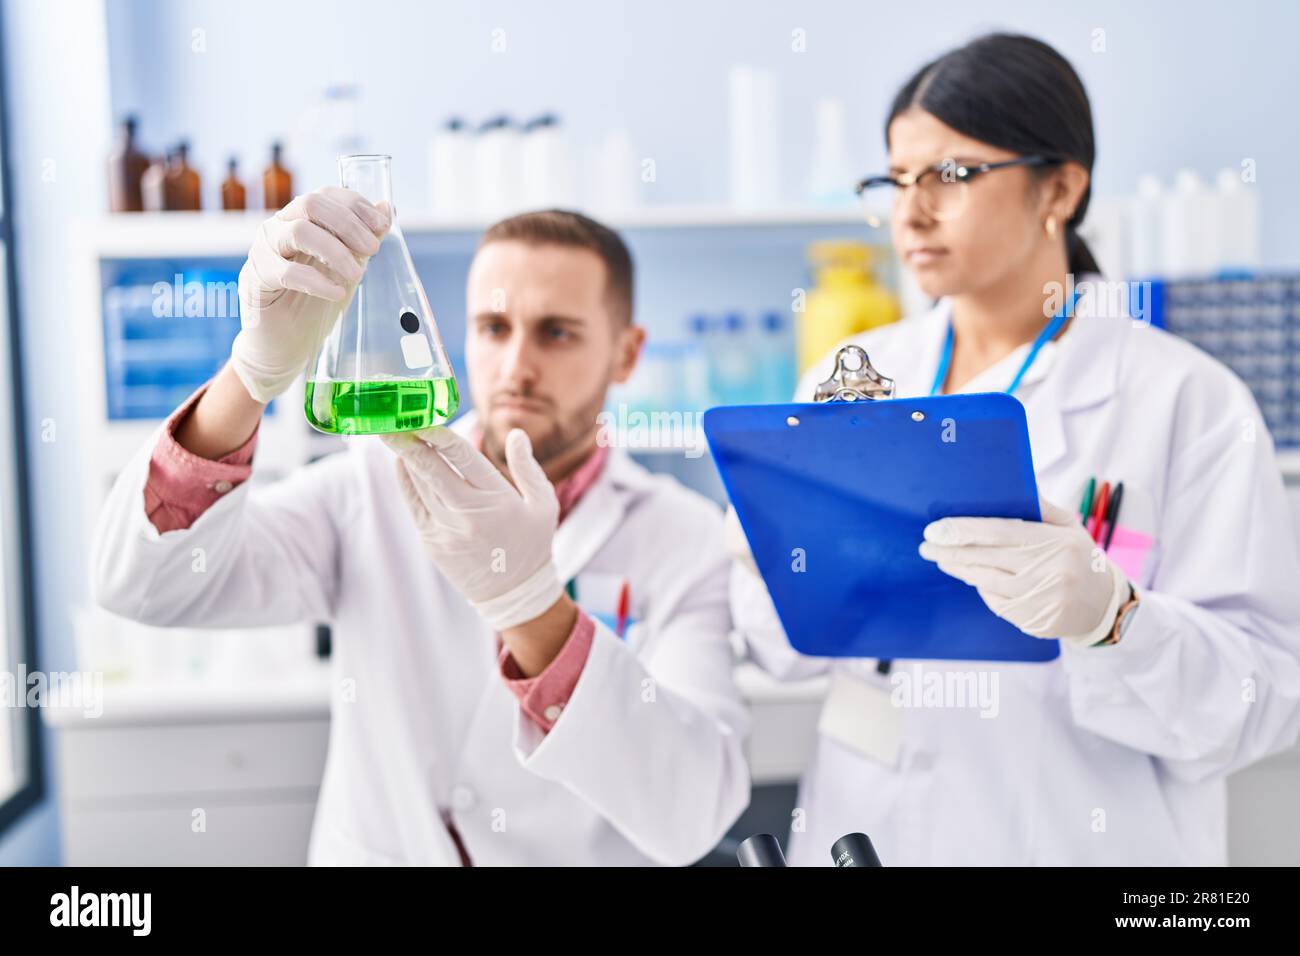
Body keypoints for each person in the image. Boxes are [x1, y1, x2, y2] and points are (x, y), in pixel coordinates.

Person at [730, 33, 1300, 865]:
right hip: (867, 831)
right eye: (894, 180)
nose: (910, 211)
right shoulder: (851, 378)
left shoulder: (1189, 402)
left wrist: (1115, 619)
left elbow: (1262, 703)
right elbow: (780, 653)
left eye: (952, 176)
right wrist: (770, 566)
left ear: (1059, 187)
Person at [91, 201, 749, 866]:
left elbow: (692, 813)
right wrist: (251, 376)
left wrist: (532, 608)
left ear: (627, 354)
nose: (516, 366)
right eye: (494, 327)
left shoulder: (687, 539)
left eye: (556, 333)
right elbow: (146, 586)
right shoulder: (370, 483)